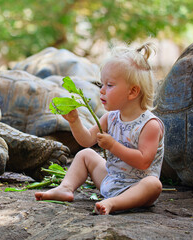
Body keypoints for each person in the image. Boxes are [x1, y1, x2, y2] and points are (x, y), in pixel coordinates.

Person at [35, 42, 164, 215]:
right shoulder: (111, 118)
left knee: (154, 184)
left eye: (109, 85)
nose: (102, 90)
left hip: (137, 187)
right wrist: (75, 122)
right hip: (111, 179)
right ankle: (66, 187)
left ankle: (114, 203)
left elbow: (143, 161)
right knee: (85, 155)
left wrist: (113, 146)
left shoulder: (150, 125)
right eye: (101, 84)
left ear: (132, 92)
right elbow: (87, 140)